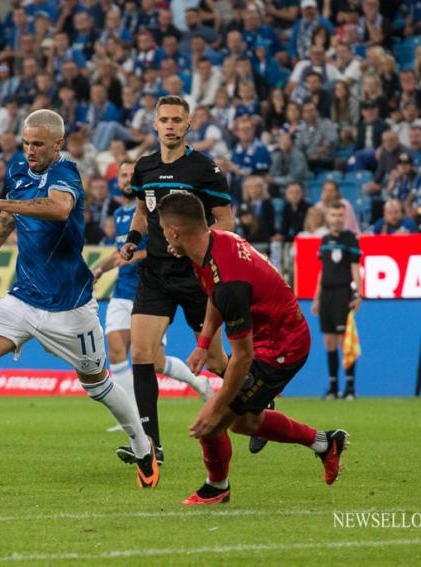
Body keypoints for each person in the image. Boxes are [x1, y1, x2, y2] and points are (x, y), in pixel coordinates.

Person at [0, 110, 159, 489]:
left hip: (70, 308)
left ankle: (142, 446)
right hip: (24, 297)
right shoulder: (17, 170)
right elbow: (12, 218)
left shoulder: (66, 174)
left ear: (58, 144)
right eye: (26, 143)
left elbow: (57, 208)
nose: (30, 150)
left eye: (38, 144)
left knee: (98, 385)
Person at [156, 191, 348, 505]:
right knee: (247, 423)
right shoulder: (213, 244)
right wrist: (204, 343)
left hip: (281, 345)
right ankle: (325, 443)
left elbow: (243, 355)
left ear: (175, 230)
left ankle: (217, 487)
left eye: (165, 230)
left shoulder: (229, 277)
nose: (165, 238)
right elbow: (215, 295)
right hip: (270, 336)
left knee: (212, 424)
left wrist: (215, 406)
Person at [117, 95, 233, 465]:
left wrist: (207, 255)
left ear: (188, 125)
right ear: (155, 124)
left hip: (195, 275)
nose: (170, 125)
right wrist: (133, 240)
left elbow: (225, 220)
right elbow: (141, 210)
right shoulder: (144, 167)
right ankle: (150, 445)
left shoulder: (204, 169)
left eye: (176, 120)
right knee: (141, 352)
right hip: (155, 275)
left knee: (216, 361)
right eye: (164, 119)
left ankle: (254, 394)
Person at [91, 160, 212, 437]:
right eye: (121, 175)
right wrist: (100, 269)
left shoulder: (156, 214)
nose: (124, 179)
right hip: (123, 292)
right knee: (117, 348)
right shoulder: (122, 215)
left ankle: (200, 384)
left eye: (128, 175)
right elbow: (121, 253)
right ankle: (130, 416)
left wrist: (135, 256)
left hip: (150, 289)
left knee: (153, 361)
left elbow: (156, 250)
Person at [311, 202, 363, 400]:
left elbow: (355, 269)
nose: (337, 219)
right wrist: (317, 297)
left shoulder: (350, 239)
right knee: (329, 341)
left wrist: (358, 294)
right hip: (326, 296)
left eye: (340, 215)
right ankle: (333, 387)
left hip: (343, 293)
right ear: (328, 217)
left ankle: (350, 387)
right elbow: (322, 272)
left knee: (344, 341)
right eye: (333, 215)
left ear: (345, 217)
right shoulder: (324, 240)